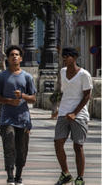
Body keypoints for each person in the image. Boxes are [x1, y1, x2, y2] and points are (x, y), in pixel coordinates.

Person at [0, 45, 37, 185]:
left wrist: (22, 96)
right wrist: (9, 101)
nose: (14, 57)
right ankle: (10, 176)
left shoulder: (27, 77)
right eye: (12, 54)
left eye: (17, 54)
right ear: (8, 58)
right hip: (7, 119)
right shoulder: (2, 76)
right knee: (9, 146)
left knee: (22, 149)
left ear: (21, 58)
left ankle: (19, 176)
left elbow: (34, 98)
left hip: (23, 120)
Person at [54, 48, 93, 185]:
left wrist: (75, 113)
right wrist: (57, 108)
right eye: (63, 56)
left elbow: (87, 95)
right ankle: (65, 173)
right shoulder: (62, 71)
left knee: (78, 146)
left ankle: (80, 178)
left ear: (75, 58)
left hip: (79, 115)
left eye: (68, 56)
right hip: (63, 113)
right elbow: (64, 92)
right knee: (58, 143)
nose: (65, 58)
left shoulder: (84, 74)